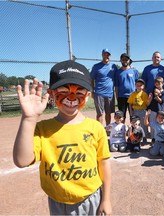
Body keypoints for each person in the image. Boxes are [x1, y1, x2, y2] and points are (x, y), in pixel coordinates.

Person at [13, 60, 112, 215]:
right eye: (63, 92)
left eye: (79, 92)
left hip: (90, 198)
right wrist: (29, 119)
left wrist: (106, 200)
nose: (71, 98)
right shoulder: (42, 129)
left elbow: (104, 165)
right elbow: (21, 160)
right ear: (52, 94)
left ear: (87, 96)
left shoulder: (96, 128)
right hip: (57, 201)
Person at [90, 48, 117, 125]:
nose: (106, 56)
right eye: (105, 54)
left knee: (108, 113)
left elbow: (120, 74)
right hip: (99, 93)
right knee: (100, 114)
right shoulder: (96, 66)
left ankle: (107, 128)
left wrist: (131, 66)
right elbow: (91, 79)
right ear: (102, 55)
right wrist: (92, 91)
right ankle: (100, 130)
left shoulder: (114, 66)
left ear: (110, 56)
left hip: (110, 94)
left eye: (108, 54)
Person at [115, 53, 139, 121]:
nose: (125, 61)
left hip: (132, 96)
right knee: (121, 116)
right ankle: (121, 131)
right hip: (122, 97)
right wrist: (117, 97)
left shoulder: (134, 71)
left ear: (129, 60)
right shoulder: (118, 72)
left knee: (133, 116)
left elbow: (138, 84)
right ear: (121, 61)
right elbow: (116, 86)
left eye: (126, 59)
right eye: (123, 59)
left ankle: (134, 130)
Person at [127, 78, 149, 143]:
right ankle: (134, 138)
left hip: (142, 110)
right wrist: (131, 112)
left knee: (143, 125)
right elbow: (130, 104)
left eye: (141, 85)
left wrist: (149, 99)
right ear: (135, 85)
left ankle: (144, 138)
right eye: (137, 85)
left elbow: (147, 104)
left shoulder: (144, 94)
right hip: (135, 111)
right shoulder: (133, 94)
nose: (139, 86)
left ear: (143, 86)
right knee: (134, 125)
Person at [147, 76, 164, 140]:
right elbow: (150, 99)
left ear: (162, 83)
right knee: (153, 124)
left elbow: (161, 101)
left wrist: (156, 95)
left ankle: (160, 138)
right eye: (156, 83)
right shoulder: (153, 90)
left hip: (160, 110)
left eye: (159, 83)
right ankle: (153, 138)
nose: (157, 85)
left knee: (160, 124)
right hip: (153, 109)